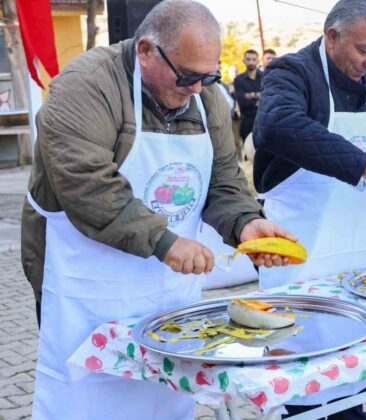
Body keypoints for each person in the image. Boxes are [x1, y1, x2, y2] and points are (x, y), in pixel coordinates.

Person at [21, 1, 296, 418]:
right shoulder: (85, 85)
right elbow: (88, 185)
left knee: (162, 398)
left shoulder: (206, 99)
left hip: (167, 287)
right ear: (147, 50)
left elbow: (224, 177)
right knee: (90, 398)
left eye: (209, 76)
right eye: (186, 76)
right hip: (86, 284)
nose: (197, 89)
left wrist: (246, 221)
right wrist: (165, 241)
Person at [253, 0, 366, 417]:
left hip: (359, 250)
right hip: (301, 251)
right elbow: (276, 124)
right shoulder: (291, 72)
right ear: (332, 37)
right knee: (301, 369)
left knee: (353, 364)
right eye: (365, 50)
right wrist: (364, 165)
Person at [233, 49, 262, 142]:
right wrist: (259, 96)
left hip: (265, 121)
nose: (251, 62)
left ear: (258, 61)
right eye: (248, 59)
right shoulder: (238, 80)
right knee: (249, 154)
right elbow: (242, 102)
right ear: (244, 61)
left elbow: (269, 98)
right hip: (247, 123)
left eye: (254, 59)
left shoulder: (266, 76)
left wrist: (251, 95)